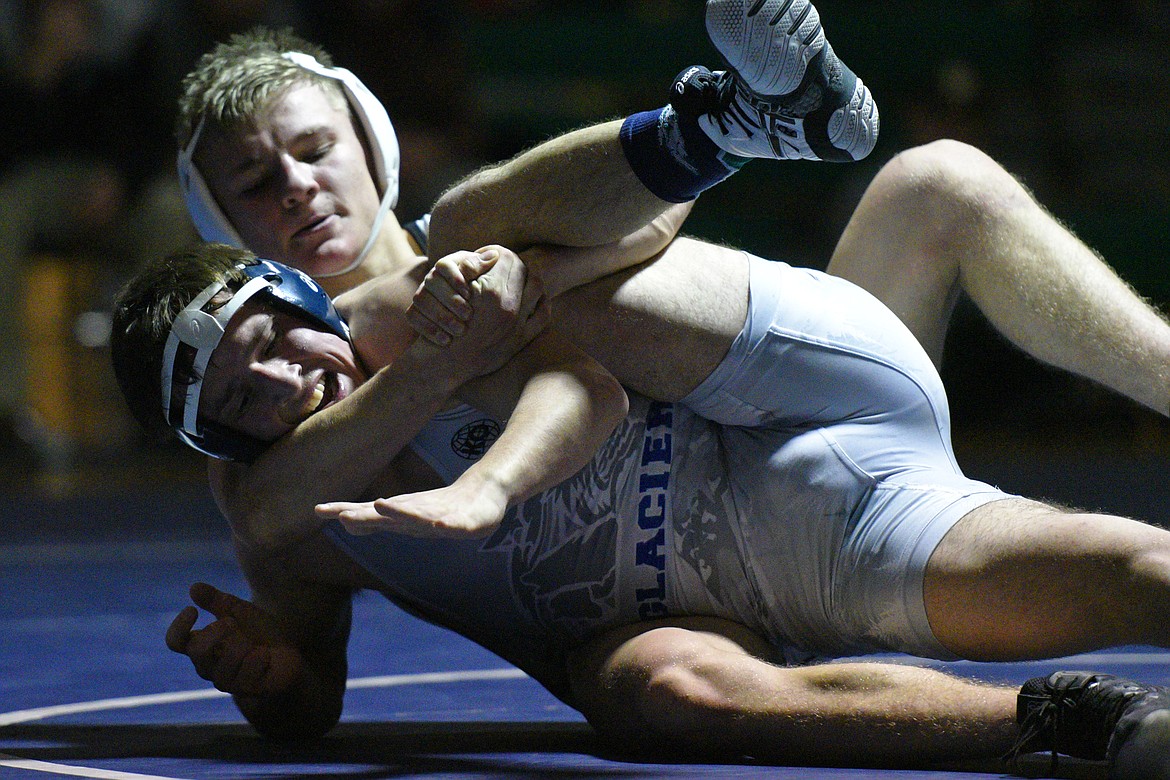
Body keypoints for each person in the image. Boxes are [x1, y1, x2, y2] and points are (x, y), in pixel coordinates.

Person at [111, 1, 1170, 776]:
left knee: (483, 243)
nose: (297, 186)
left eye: (311, 151)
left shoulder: (469, 246)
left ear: (370, 144)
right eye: (256, 180)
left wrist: (530, 290)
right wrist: (272, 677)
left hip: (791, 400)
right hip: (805, 556)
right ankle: (1085, 727)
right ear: (218, 223)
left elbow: (606, 328)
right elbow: (299, 660)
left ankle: (719, 128)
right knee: (651, 693)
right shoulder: (272, 490)